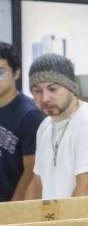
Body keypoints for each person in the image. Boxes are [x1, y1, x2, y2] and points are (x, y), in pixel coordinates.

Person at [26, 53, 88, 199]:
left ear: (71, 88)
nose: (45, 98)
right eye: (37, 91)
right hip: (52, 219)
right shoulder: (45, 126)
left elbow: (87, 187)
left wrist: (65, 222)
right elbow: (37, 184)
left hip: (83, 220)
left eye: (53, 89)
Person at [0, 42, 46, 201]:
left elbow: (31, 172)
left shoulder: (30, 115)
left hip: (10, 209)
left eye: (1, 72)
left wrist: (12, 212)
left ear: (16, 73)